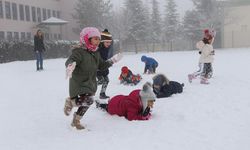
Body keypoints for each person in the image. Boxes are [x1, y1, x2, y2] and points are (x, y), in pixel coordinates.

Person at [63, 27, 122, 130]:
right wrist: (70, 65)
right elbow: (71, 60)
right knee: (88, 100)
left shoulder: (96, 53)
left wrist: (112, 61)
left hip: (90, 82)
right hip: (79, 82)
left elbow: (101, 65)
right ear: (86, 39)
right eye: (95, 38)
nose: (97, 41)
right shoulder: (79, 52)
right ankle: (70, 103)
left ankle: (76, 120)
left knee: (89, 101)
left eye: (99, 39)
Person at [97, 29, 113, 99]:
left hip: (104, 67)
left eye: (109, 42)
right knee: (101, 81)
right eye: (107, 42)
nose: (108, 44)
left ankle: (102, 94)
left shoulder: (107, 47)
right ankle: (87, 89)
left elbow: (105, 58)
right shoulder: (98, 48)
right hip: (97, 68)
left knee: (106, 80)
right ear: (102, 41)